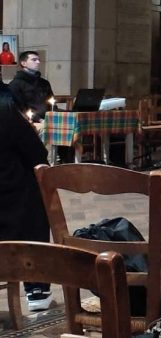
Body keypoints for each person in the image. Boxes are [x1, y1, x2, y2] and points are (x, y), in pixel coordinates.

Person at [0, 82, 52, 311]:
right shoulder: (4, 107)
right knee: (33, 195)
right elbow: (36, 152)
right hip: (9, 198)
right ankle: (36, 288)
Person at [8, 51, 53, 122]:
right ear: (23, 63)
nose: (38, 62)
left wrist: (56, 115)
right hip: (29, 123)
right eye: (34, 60)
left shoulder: (44, 83)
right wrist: (39, 120)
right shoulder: (15, 84)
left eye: (38, 60)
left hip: (49, 120)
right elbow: (20, 108)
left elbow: (52, 104)